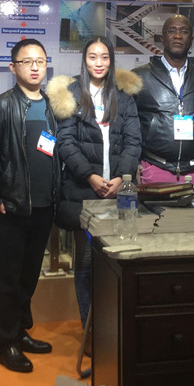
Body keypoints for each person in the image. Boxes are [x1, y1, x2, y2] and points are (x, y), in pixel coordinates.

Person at [0, 39, 60, 374]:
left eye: (40, 61)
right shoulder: (1, 106)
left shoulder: (51, 105)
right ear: (13, 67)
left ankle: (20, 332)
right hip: (10, 207)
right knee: (6, 279)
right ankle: (4, 343)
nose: (35, 67)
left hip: (43, 206)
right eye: (27, 61)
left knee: (28, 276)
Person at [47, 37, 142, 327]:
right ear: (84, 60)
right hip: (83, 192)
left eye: (104, 57)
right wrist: (89, 175)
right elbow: (65, 142)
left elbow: (133, 141)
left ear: (111, 60)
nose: (98, 63)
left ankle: (113, 327)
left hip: (118, 192)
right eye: (92, 57)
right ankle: (89, 329)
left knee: (119, 259)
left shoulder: (124, 98)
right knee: (87, 261)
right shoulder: (71, 95)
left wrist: (120, 177)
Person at [132, 14, 194, 194]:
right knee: (155, 214)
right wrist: (134, 163)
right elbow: (130, 127)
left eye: (184, 32)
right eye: (172, 31)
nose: (178, 36)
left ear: (191, 39)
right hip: (154, 168)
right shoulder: (140, 77)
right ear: (162, 38)